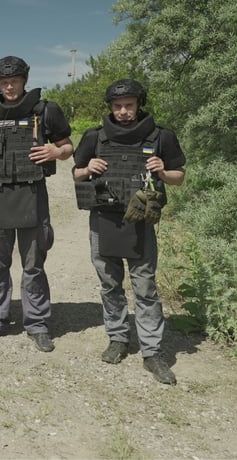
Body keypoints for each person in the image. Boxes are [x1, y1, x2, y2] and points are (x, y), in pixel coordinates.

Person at [72, 78, 186, 385]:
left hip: (141, 223)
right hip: (103, 221)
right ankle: (118, 339)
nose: (123, 112)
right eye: (118, 106)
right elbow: (76, 174)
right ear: (110, 107)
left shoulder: (161, 136)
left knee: (145, 287)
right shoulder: (94, 137)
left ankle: (152, 352)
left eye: (129, 106)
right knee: (110, 284)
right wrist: (88, 168)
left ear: (139, 105)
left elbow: (178, 177)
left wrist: (162, 171)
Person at [0, 56, 73, 352]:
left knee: (33, 264)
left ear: (24, 81)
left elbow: (68, 147)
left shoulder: (45, 111)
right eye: (4, 82)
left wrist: (55, 152)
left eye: (14, 81)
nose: (9, 87)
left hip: (33, 193)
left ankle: (37, 324)